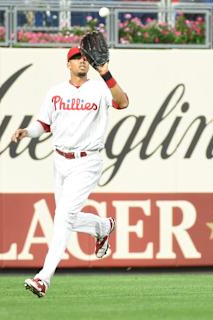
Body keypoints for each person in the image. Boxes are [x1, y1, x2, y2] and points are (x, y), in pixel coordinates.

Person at [11, 46, 129, 298]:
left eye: (85, 58)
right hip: (60, 160)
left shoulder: (99, 89)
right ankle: (101, 226)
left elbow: (123, 102)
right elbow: (43, 124)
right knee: (65, 217)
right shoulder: (56, 92)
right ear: (68, 64)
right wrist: (27, 132)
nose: (82, 62)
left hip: (87, 160)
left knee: (64, 217)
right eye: (76, 58)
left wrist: (106, 74)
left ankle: (43, 278)